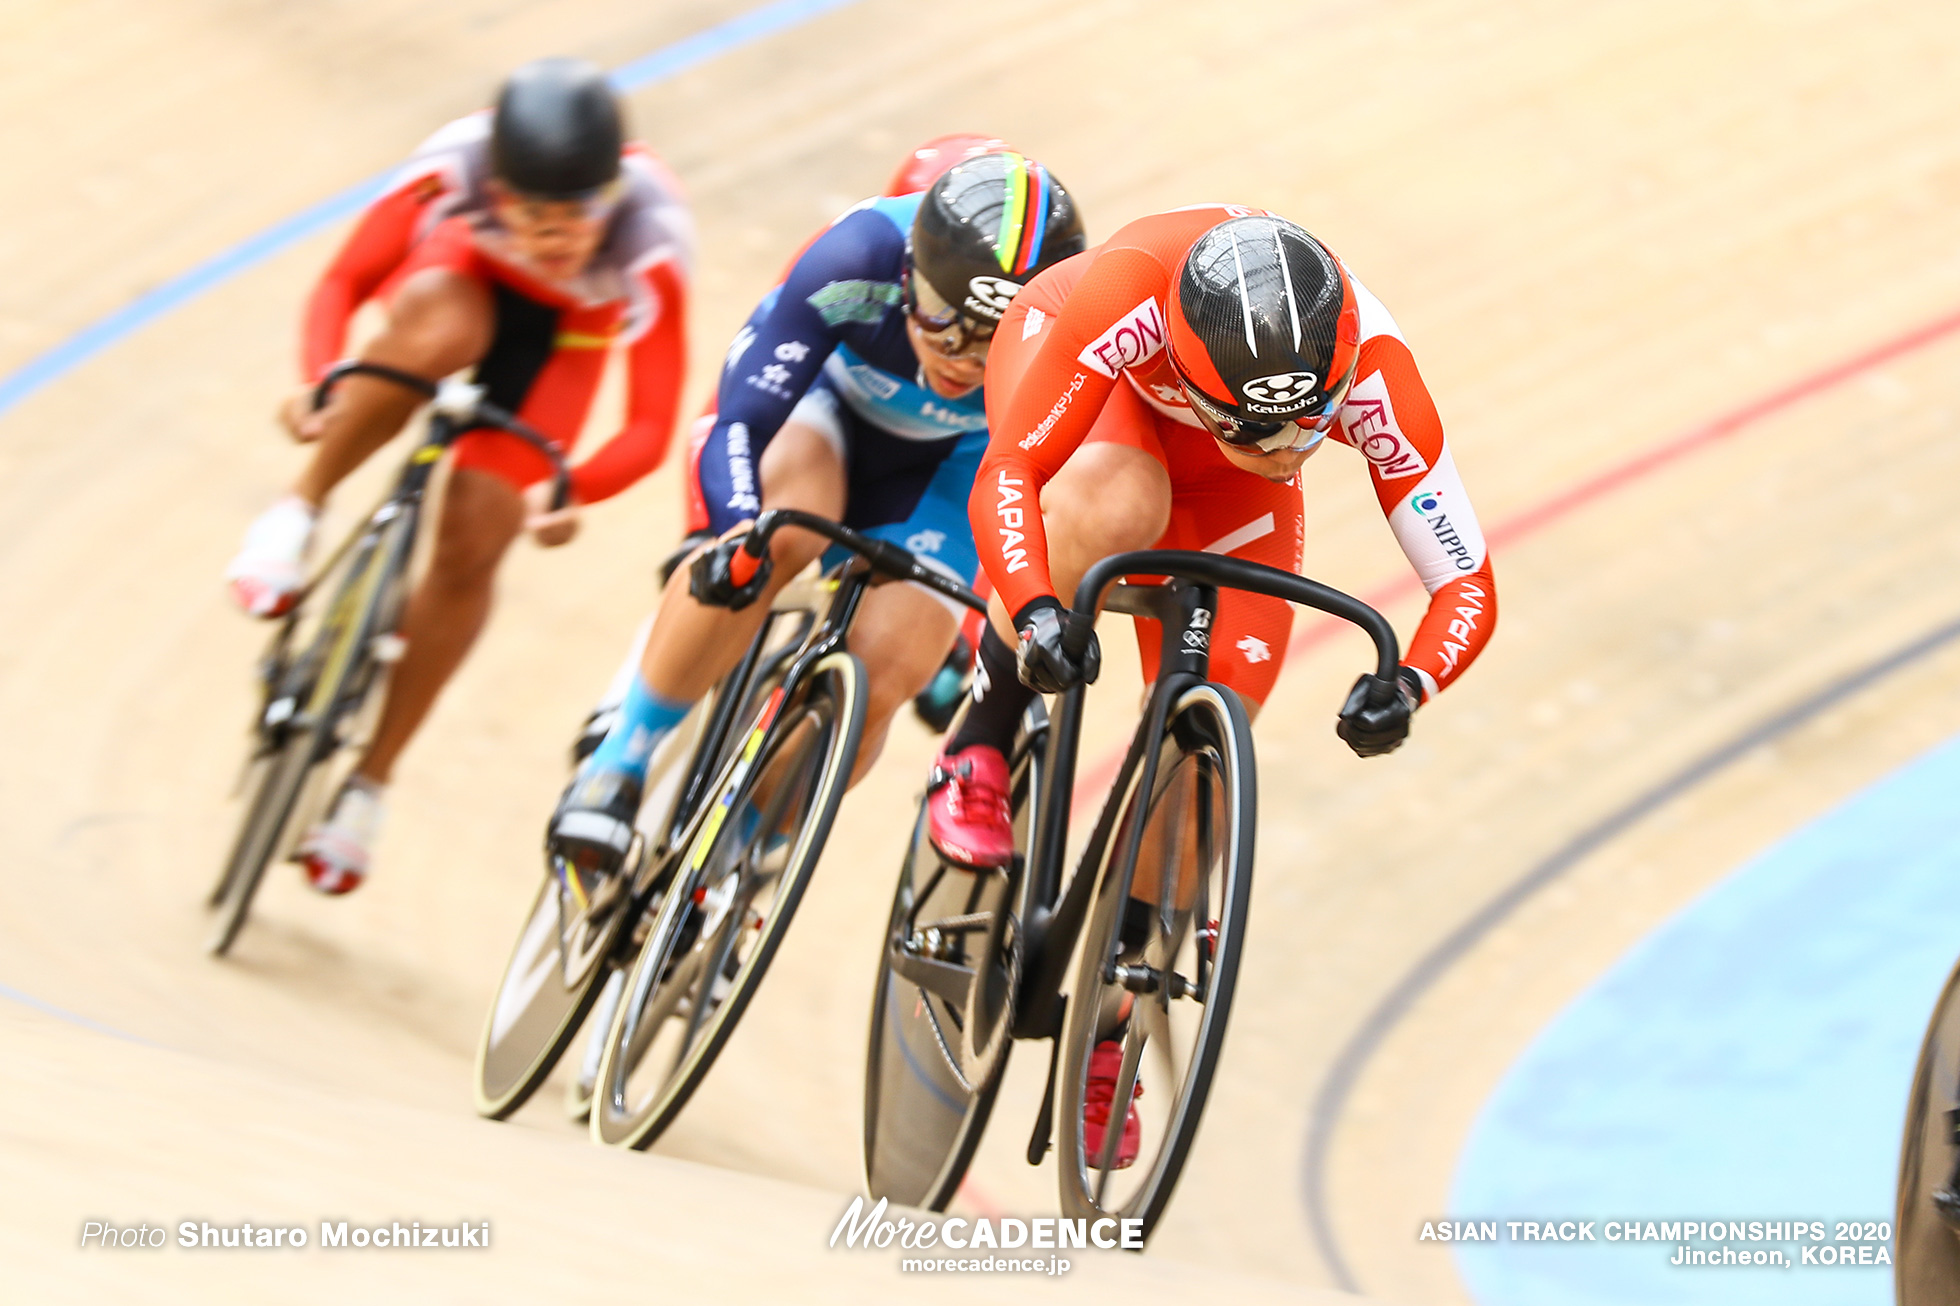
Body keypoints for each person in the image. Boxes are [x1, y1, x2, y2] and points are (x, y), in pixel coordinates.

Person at [923, 206, 1499, 1165]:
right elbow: (1013, 472)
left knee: (1204, 756)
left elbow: (1465, 581)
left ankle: (1109, 1032)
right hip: (1097, 400)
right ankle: (983, 737)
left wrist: (1413, 681)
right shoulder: (1127, 299)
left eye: (1307, 429)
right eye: (1257, 428)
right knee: (1122, 497)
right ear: (1196, 371)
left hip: (1226, 495)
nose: (1284, 450)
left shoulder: (1374, 370)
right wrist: (1030, 611)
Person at [222, 57, 694, 894]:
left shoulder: (653, 233)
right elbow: (345, 282)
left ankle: (370, 782)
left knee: (476, 537)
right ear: (496, 184)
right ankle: (297, 513)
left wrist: (568, 491)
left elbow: (650, 426)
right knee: (439, 327)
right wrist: (320, 382)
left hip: (562, 345)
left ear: (612, 192)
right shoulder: (457, 160)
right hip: (460, 288)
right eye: (531, 210)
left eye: (579, 212)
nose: (556, 234)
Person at [546, 150, 1085, 874]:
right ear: (907, 271)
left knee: (893, 663)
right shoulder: (857, 253)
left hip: (950, 472)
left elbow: (1022, 501)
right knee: (782, 524)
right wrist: (731, 531)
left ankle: (739, 871)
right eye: (940, 322)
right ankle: (623, 757)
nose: (958, 358)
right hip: (824, 415)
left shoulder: (1072, 343)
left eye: (992, 345)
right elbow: (736, 422)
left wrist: (962, 633)